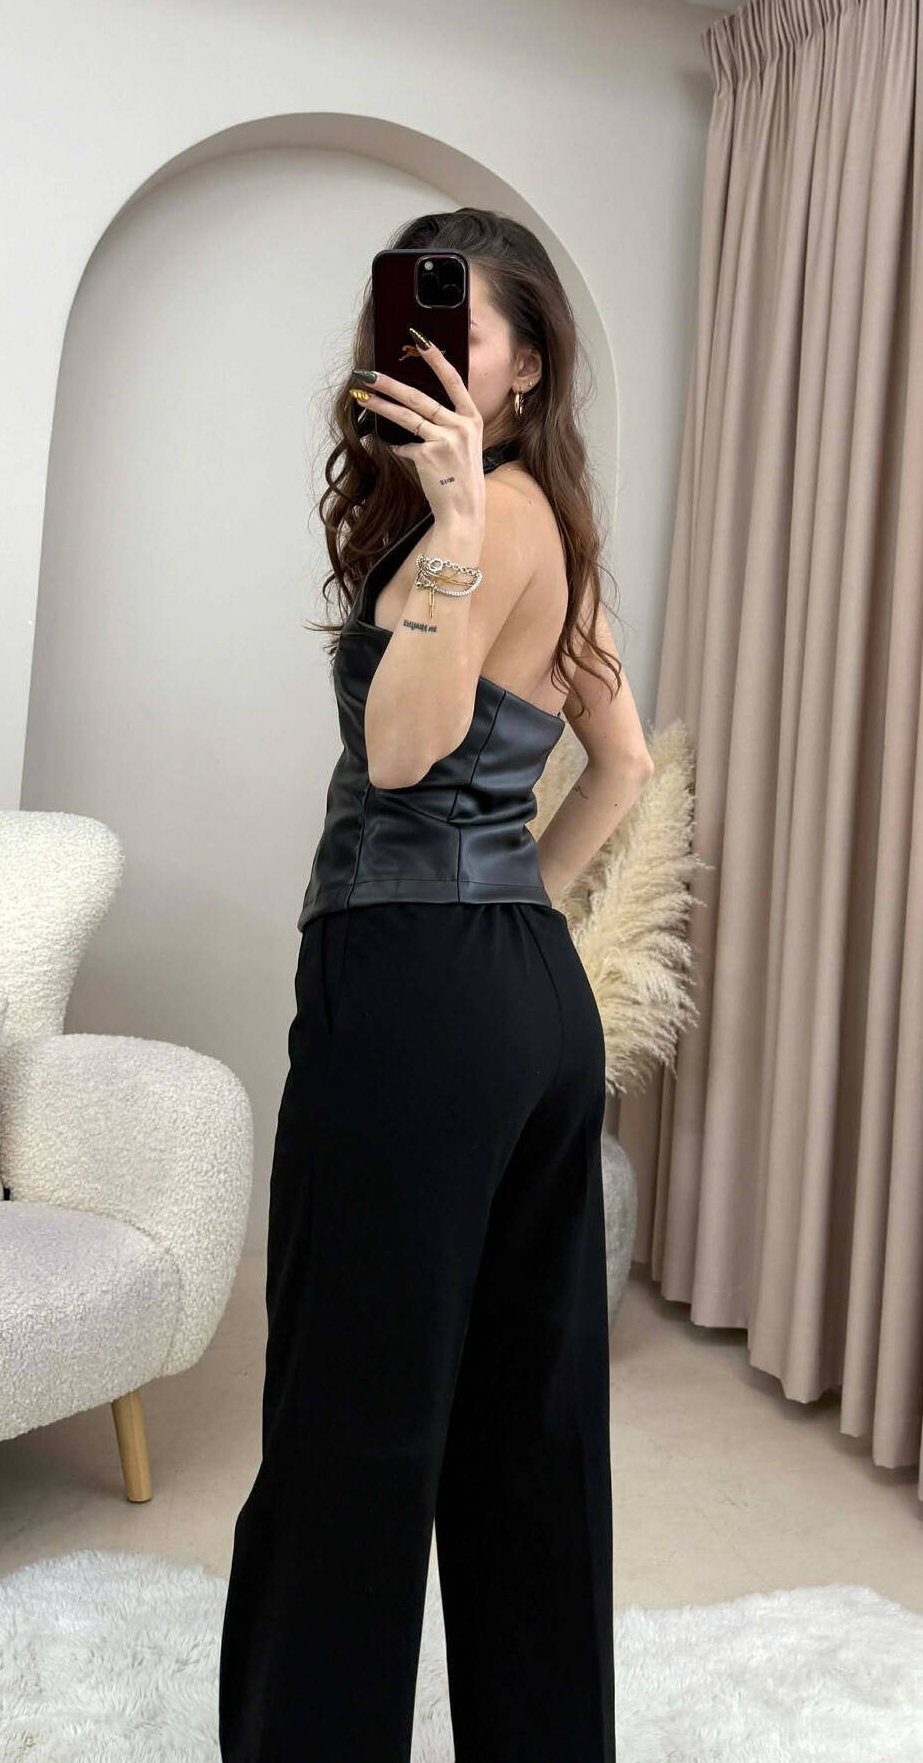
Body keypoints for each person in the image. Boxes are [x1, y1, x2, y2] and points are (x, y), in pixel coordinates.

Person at [218, 209, 654, 1762]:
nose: (420, 353)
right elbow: (624, 763)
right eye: (404, 324)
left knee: (351, 1422)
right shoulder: (558, 526)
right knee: (529, 1427)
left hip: (408, 997)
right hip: (522, 1005)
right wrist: (521, 916)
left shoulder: (489, 521)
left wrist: (457, 521)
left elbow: (401, 755)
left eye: (459, 332)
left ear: (526, 370)